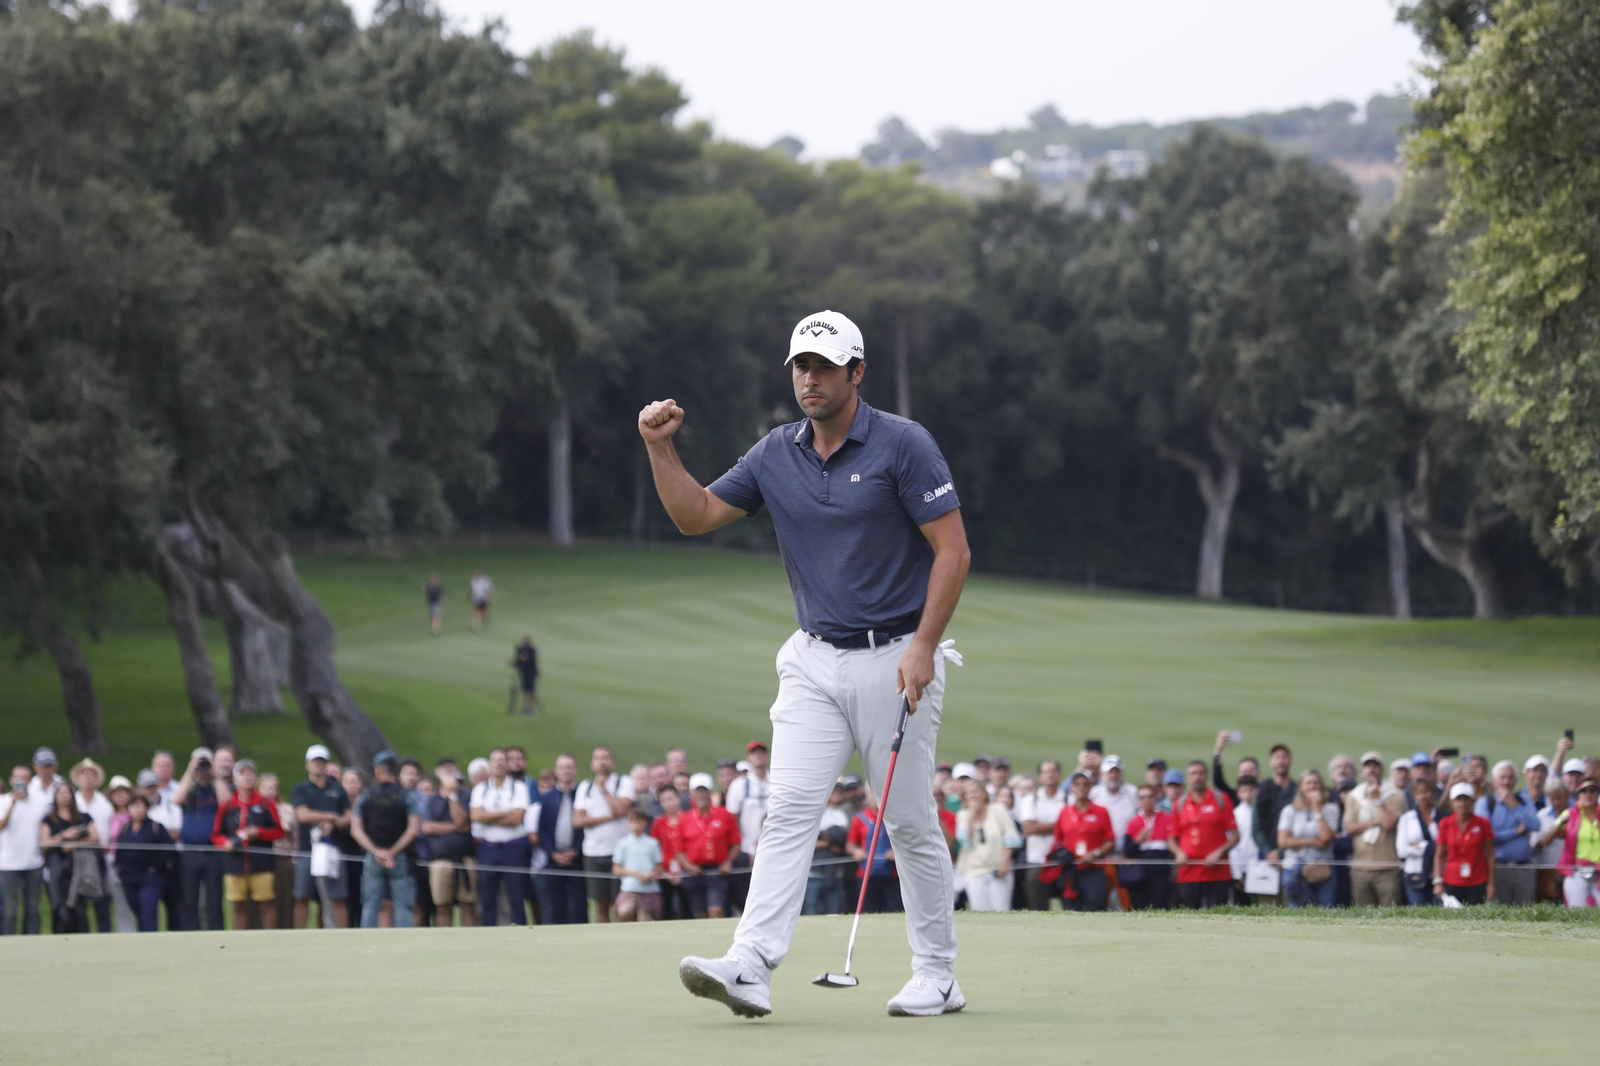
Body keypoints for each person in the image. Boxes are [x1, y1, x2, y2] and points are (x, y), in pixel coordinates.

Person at [644, 308, 969, 1018]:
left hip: (896, 660)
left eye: (824, 366)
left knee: (907, 818)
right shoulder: (774, 454)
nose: (809, 378)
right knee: (787, 807)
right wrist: (659, 448)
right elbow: (696, 515)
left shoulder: (903, 445)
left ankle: (938, 972)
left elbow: (953, 550)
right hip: (813, 660)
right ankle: (751, 966)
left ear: (857, 373)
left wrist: (922, 645)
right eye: (800, 365)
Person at [350, 752, 421, 928]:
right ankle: (404, 946)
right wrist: (392, 852)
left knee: (370, 905)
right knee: (403, 905)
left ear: (378, 770)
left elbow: (356, 830)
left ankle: (368, 945)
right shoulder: (406, 796)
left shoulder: (365, 796)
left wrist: (376, 851)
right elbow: (413, 830)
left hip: (373, 859)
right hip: (399, 858)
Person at [212, 760, 284, 929]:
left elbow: (278, 831)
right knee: (237, 905)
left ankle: (269, 939)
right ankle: (239, 939)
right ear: (235, 779)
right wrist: (226, 842)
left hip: (261, 864)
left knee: (265, 904)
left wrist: (259, 832)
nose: (248, 777)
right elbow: (216, 834)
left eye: (250, 774)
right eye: (243, 774)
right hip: (234, 863)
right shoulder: (227, 806)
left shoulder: (265, 803)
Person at [290, 745, 351, 929]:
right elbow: (303, 815)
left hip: (332, 848)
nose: (318, 765)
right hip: (307, 850)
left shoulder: (338, 789)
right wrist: (331, 816)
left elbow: (348, 815)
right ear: (307, 765)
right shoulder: (300, 788)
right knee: (302, 896)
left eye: (321, 761)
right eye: (315, 761)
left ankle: (342, 937)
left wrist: (335, 824)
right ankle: (298, 937)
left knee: (338, 897)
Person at [573, 746, 636, 924]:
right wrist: (610, 817)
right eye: (598, 758)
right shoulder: (585, 787)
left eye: (606, 757)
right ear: (592, 764)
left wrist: (604, 791)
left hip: (619, 852)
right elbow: (578, 821)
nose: (602, 761)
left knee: (620, 902)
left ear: (612, 762)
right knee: (600, 903)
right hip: (593, 852)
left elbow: (621, 809)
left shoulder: (623, 782)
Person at [470, 749, 529, 925]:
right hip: (488, 849)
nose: (499, 763)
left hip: (514, 848)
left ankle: (522, 934)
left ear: (508, 764)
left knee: (516, 898)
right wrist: (506, 813)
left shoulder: (519, 787)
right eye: (495, 760)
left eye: (502, 760)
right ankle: (489, 935)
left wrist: (489, 816)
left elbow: (517, 818)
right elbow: (476, 816)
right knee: (487, 899)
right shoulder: (481, 789)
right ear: (489, 765)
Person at [1168, 760, 1237, 909]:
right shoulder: (1179, 804)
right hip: (1188, 872)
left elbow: (1235, 836)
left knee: (1218, 917)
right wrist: (1178, 853)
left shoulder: (1221, 799)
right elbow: (1171, 838)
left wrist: (1218, 852)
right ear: (1187, 778)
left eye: (1201, 773)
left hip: (1217, 872)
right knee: (1190, 918)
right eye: (1193, 773)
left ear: (1206, 776)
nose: (1197, 777)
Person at [173, 748, 228, 930]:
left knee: (214, 899)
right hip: (189, 852)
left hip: (213, 852)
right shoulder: (190, 788)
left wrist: (216, 775)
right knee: (189, 899)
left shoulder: (215, 788)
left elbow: (226, 803)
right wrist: (191, 771)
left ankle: (216, 932)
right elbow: (176, 798)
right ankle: (191, 932)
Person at [530, 753, 585, 925]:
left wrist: (575, 850)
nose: (566, 771)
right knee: (554, 907)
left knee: (578, 907)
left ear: (575, 770)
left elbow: (585, 828)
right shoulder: (547, 798)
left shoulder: (583, 794)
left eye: (569, 767)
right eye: (562, 768)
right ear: (556, 771)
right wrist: (553, 853)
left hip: (578, 860)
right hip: (553, 860)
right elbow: (543, 830)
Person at [1475, 760, 1540, 905]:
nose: (1506, 781)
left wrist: (1514, 806)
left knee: (1525, 911)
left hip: (1523, 866)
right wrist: (1516, 832)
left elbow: (1535, 825)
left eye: (1510, 778)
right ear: (1494, 780)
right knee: (1498, 912)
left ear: (1515, 781)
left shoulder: (1523, 801)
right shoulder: (1485, 803)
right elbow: (1487, 837)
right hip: (1497, 867)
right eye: (1502, 777)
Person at [1344, 752, 1404, 907]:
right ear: (1362, 771)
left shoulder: (1395, 795)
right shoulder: (1354, 796)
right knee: (1364, 914)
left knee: (1390, 912)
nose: (1371, 769)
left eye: (1375, 765)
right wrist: (1375, 821)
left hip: (1387, 867)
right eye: (1367, 766)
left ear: (1382, 770)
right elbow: (1349, 827)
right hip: (1361, 868)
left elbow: (1389, 824)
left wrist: (1377, 800)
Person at [40, 780, 101, 933]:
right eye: (61, 793)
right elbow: (45, 843)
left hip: (80, 866)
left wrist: (75, 844)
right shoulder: (49, 819)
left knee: (79, 906)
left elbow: (95, 837)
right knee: (59, 904)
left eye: (68, 792)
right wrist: (63, 835)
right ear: (55, 797)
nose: (65, 796)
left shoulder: (83, 817)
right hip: (58, 866)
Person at [1051, 772, 1115, 911]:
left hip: (1094, 869)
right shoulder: (1064, 812)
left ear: (1090, 787)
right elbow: (1057, 841)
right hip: (1071, 870)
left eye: (1085, 784)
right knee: (1071, 911)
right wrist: (1062, 853)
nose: (1081, 787)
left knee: (1096, 908)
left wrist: (1096, 853)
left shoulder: (1101, 811)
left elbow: (1110, 841)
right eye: (1077, 784)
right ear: (1071, 788)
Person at [680, 773, 741, 918]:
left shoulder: (724, 815)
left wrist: (728, 862)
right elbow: (679, 850)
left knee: (716, 910)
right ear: (692, 794)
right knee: (701, 913)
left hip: (717, 871)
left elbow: (736, 843)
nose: (701, 795)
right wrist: (689, 866)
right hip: (694, 872)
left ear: (710, 792)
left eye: (704, 791)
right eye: (697, 791)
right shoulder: (685, 818)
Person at [423, 764, 476, 926]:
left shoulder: (465, 796)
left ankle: (470, 943)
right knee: (442, 906)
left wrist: (453, 796)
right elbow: (427, 827)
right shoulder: (432, 799)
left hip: (465, 860)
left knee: (468, 905)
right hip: (440, 862)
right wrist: (455, 827)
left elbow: (462, 820)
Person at [954, 780, 1019, 911]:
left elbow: (1011, 838)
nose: (972, 796)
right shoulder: (962, 815)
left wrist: (1005, 862)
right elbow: (965, 841)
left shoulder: (998, 809)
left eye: (975, 792)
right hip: (974, 871)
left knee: (1001, 910)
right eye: (968, 793)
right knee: (979, 910)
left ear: (984, 794)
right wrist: (972, 814)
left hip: (998, 869)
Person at [113, 792, 174, 932]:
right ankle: (141, 940)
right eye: (133, 806)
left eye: (140, 806)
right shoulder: (125, 827)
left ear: (147, 808)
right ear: (128, 809)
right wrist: (118, 867)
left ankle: (152, 940)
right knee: (138, 911)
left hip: (150, 878)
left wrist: (155, 867)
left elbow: (169, 848)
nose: (137, 810)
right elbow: (119, 849)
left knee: (149, 910)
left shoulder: (156, 827)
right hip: (128, 877)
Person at [1278, 770, 1338, 908]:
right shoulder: (1290, 811)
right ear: (1301, 787)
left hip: (1322, 868)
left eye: (1316, 783)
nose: (1312, 786)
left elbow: (1325, 838)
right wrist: (1311, 841)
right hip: (1293, 868)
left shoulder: (1331, 809)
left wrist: (1317, 809)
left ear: (1321, 786)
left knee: (1325, 911)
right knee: (1296, 911)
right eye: (1308, 783)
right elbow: (1283, 841)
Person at [724, 740, 770, 915]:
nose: (758, 755)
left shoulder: (776, 781)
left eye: (761, 752)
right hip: (744, 847)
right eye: (754, 753)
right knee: (746, 893)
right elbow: (732, 818)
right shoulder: (739, 785)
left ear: (766, 756)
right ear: (748, 757)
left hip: (771, 846)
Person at [71, 758, 115, 932]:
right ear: (78, 778)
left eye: (91, 774)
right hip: (77, 856)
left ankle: (105, 935)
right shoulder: (71, 802)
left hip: (100, 856)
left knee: (102, 901)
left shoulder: (105, 803)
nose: (88, 777)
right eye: (84, 774)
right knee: (78, 902)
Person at [1, 766, 45, 934]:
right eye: (17, 778)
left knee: (33, 909)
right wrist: (12, 804)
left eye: (25, 777)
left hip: (34, 862)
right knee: (11, 910)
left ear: (30, 780)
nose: (21, 781)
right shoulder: (3, 800)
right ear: (11, 780)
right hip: (8, 864)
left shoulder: (39, 800)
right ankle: (10, 945)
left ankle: (33, 943)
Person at [1435, 781, 1494, 905]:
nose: (1462, 803)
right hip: (1452, 880)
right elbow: (1440, 855)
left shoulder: (1483, 823)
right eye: (1458, 800)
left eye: (1466, 799)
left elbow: (1490, 854)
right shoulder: (1445, 824)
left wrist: (1491, 883)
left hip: (1478, 880)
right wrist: (1438, 881)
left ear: (1472, 802)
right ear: (1452, 803)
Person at [845, 786, 900, 914]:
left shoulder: (895, 818)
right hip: (866, 875)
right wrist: (856, 851)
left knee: (895, 912)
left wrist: (897, 851)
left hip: (893, 875)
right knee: (868, 913)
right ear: (867, 795)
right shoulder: (859, 818)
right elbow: (850, 845)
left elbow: (907, 842)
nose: (875, 797)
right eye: (871, 793)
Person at [1123, 784, 1174, 910]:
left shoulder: (1166, 818)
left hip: (1161, 873)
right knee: (1139, 907)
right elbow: (1128, 851)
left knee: (1160, 907)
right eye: (1142, 797)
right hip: (1139, 875)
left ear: (1156, 798)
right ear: (1138, 801)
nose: (1146, 800)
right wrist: (1139, 839)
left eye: (1149, 796)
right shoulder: (1133, 823)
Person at [805, 782, 851, 916]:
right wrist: (830, 842)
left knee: (833, 912)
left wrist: (822, 838)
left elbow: (843, 837)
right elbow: (808, 842)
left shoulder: (839, 814)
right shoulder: (812, 813)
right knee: (811, 912)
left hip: (834, 872)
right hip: (812, 871)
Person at [1553, 777, 1599, 907]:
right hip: (1576, 871)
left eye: (1593, 791)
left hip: (1599, 870)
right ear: (1578, 795)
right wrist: (1560, 825)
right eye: (1584, 791)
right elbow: (1546, 840)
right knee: (1576, 910)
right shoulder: (1570, 814)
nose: (1588, 794)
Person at [259, 773, 297, 930]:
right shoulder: (253, 808)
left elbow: (286, 828)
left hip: (282, 858)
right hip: (260, 860)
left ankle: (286, 929)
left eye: (273, 787)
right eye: (266, 787)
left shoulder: (286, 808)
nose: (270, 791)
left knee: (284, 898)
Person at [612, 809, 664, 922]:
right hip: (629, 887)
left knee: (645, 921)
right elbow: (616, 869)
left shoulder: (652, 843)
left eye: (638, 821)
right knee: (623, 912)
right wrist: (635, 873)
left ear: (644, 823)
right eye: (632, 821)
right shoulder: (623, 844)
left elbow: (659, 866)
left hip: (649, 889)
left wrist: (651, 875)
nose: (635, 825)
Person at [1396, 778, 1440, 906]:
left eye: (1426, 792)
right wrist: (1428, 847)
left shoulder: (1442, 817)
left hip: (1437, 873)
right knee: (1417, 909)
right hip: (1414, 872)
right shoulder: (1407, 818)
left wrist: (1418, 846)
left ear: (1433, 794)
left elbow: (1445, 847)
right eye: (1419, 793)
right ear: (1414, 796)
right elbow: (1402, 850)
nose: (1423, 796)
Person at [1254, 744, 1296, 863]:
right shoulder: (1262, 789)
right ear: (1271, 762)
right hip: (1265, 855)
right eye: (1277, 758)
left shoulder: (1297, 791)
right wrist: (1267, 851)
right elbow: (1256, 826)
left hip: (1290, 854)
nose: (1281, 762)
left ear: (1290, 761)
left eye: (1284, 758)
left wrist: (1280, 853)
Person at [335, 767, 367, 910]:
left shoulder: (368, 803)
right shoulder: (336, 804)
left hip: (362, 853)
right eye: (346, 782)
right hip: (342, 853)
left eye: (354, 782)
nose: (351, 785)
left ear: (361, 784)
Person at [1089, 755, 1138, 845]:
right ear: (1102, 773)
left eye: (1117, 772)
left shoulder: (1133, 793)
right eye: (1110, 772)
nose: (1114, 775)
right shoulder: (1092, 794)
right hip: (1099, 853)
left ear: (1122, 773)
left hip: (1127, 854)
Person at [512, 637, 538, 714]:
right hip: (524, 673)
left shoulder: (532, 650)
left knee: (531, 690)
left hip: (531, 673)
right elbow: (519, 661)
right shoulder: (522, 650)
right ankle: (526, 707)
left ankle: (532, 707)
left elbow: (530, 659)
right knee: (525, 690)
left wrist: (523, 658)